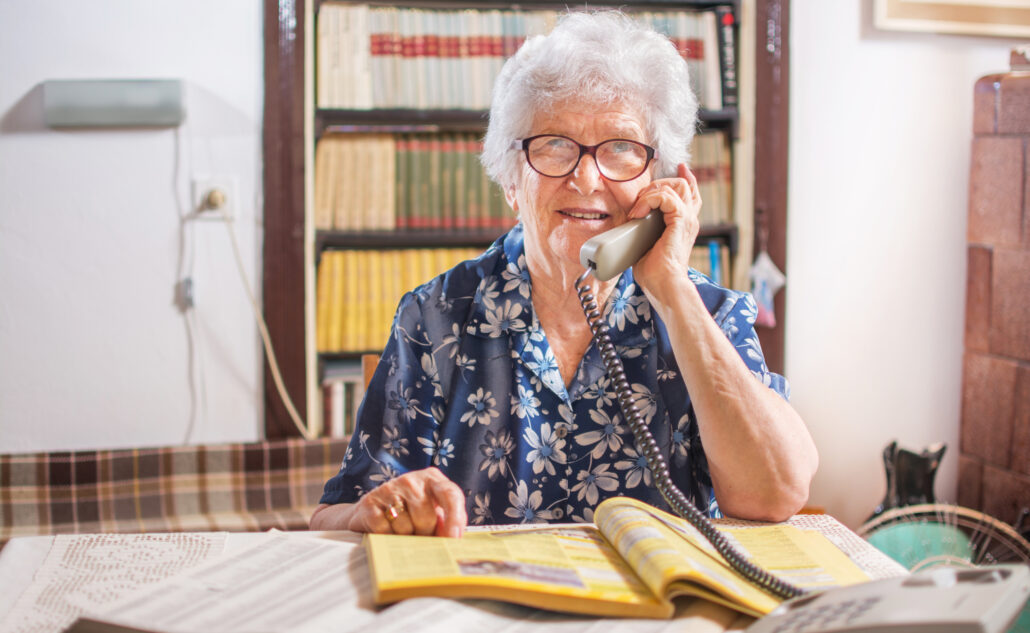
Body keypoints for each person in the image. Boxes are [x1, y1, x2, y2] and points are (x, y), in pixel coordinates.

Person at [310, 10, 818, 537]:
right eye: (554, 144)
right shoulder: (436, 316)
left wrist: (673, 292)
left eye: (621, 148)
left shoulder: (708, 313)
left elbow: (776, 493)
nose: (585, 177)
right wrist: (376, 512)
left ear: (660, 182)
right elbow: (338, 512)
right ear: (511, 181)